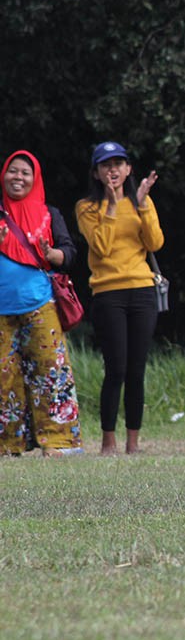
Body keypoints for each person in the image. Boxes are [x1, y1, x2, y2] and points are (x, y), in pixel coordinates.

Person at [75, 141, 162, 455]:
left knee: (137, 369)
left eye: (118, 164)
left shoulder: (141, 201)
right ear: (96, 173)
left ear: (128, 169)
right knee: (116, 369)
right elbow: (101, 248)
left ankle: (133, 442)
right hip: (107, 291)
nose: (112, 170)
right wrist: (111, 207)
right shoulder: (86, 207)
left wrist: (142, 204)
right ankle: (108, 441)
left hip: (142, 289)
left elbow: (155, 242)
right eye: (105, 165)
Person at [0, 150, 82, 457]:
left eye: (25, 173)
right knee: (3, 378)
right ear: (3, 175)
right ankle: (7, 445)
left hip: (40, 305)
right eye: (13, 171)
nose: (18, 177)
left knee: (51, 373)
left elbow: (69, 253)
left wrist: (53, 255)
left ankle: (59, 443)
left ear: (35, 179)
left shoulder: (50, 213)